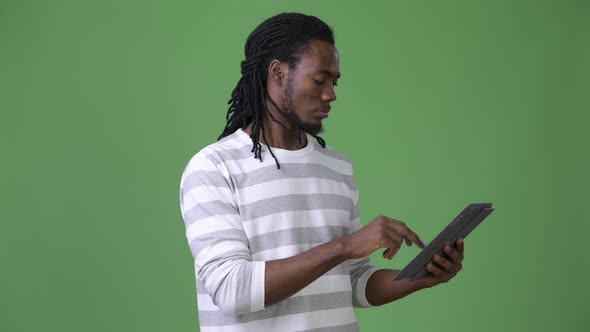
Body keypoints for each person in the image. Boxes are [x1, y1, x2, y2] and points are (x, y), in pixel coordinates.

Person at [179, 12, 465, 332]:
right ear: (278, 72)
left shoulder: (336, 166)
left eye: (334, 82)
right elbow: (231, 290)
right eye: (320, 80)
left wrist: (418, 277)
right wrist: (344, 246)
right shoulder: (213, 167)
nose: (331, 94)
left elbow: (353, 281)